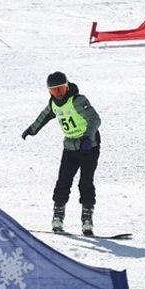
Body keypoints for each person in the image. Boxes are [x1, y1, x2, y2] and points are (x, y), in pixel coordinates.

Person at [21, 71, 103, 235]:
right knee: (63, 182)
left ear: (67, 87)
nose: (58, 94)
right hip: (70, 148)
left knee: (85, 183)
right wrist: (32, 129)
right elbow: (43, 116)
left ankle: (87, 219)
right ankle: (58, 216)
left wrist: (88, 137)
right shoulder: (54, 104)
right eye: (54, 91)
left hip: (89, 148)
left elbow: (95, 119)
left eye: (61, 90)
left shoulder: (78, 100)